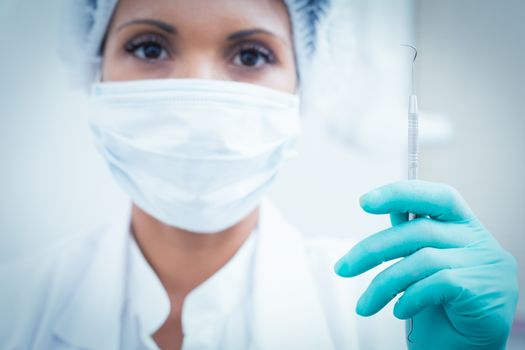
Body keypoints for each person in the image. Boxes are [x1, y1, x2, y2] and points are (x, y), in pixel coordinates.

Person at [0, 0, 518, 349]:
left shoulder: (384, 321)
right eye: (150, 47)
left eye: (250, 54)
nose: (197, 93)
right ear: (95, 69)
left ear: (303, 85)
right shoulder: (14, 308)